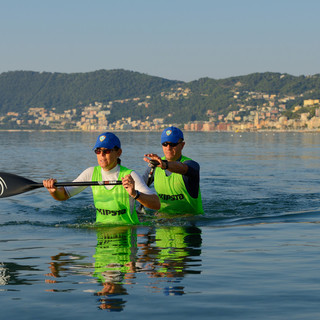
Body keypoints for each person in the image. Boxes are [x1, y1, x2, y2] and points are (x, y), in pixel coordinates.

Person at [43, 132, 160, 225]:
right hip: (102, 242)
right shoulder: (90, 173)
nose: (101, 155)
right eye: (98, 151)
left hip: (126, 237)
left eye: (106, 151)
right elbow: (63, 195)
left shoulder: (130, 175)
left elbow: (156, 204)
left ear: (118, 152)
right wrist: (53, 191)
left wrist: (135, 194)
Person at [143, 126, 203, 216]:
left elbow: (183, 168)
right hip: (163, 220)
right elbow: (139, 187)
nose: (168, 147)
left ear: (182, 145)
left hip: (188, 222)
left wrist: (165, 165)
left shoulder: (192, 166)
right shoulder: (155, 165)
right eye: (165, 144)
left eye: (173, 144)